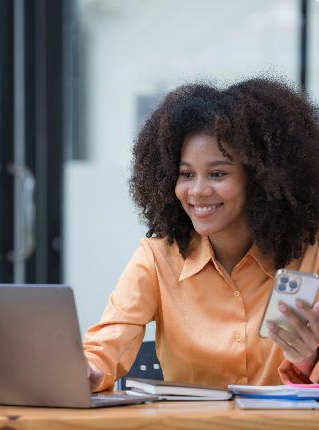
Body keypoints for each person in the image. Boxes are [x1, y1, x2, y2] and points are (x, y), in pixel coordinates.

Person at [83, 77, 319, 396]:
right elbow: (106, 344)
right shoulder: (157, 258)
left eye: (218, 174)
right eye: (186, 174)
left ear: (261, 179)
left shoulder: (311, 255)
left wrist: (305, 362)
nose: (197, 191)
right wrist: (85, 371)